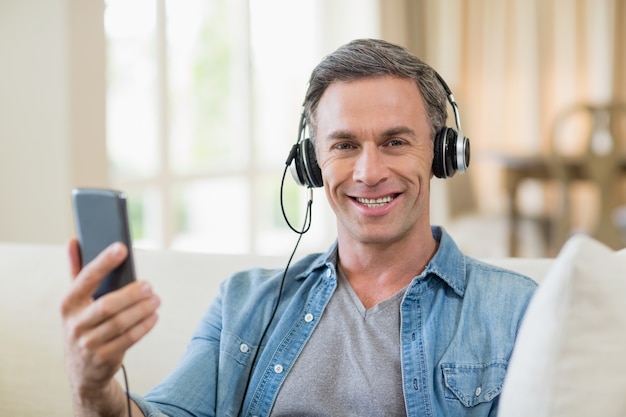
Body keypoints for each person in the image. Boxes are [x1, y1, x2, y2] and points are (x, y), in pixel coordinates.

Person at [61, 38, 537, 417]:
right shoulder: (243, 303)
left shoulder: (516, 311)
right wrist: (94, 390)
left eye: (395, 141)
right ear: (312, 163)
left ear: (441, 154)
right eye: (344, 145)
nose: (368, 172)